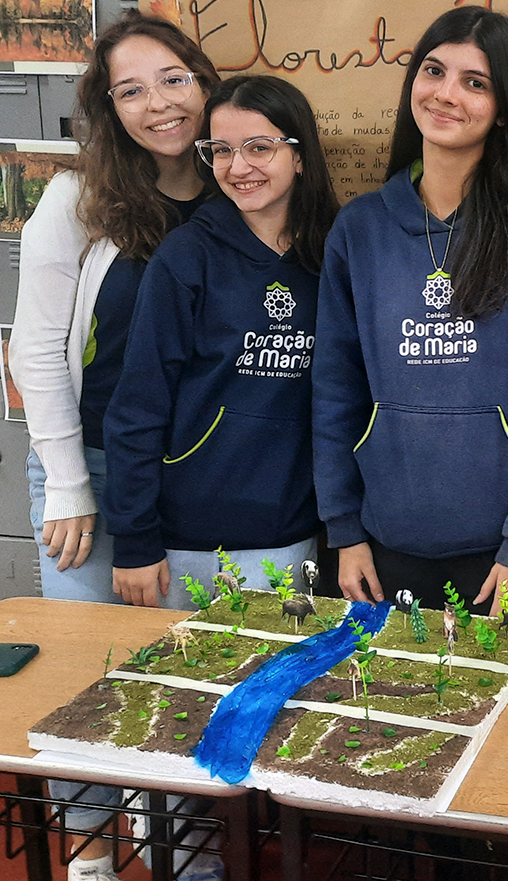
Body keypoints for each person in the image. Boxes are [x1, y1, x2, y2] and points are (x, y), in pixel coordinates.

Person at [9, 10, 220, 881]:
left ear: (203, 82)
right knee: (83, 670)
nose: (158, 103)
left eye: (173, 79)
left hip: (194, 472)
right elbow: (34, 348)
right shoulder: (77, 199)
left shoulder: (238, 185)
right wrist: (67, 482)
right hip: (89, 465)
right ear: (108, 109)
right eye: (130, 91)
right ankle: (92, 845)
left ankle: (182, 837)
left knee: (186, 669)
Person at [312, 6, 508, 635]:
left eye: (475, 82)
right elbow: (335, 390)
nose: (445, 94)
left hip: (507, 560)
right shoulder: (359, 230)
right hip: (381, 550)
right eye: (434, 71)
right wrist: (345, 531)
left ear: (506, 109)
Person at [103, 75, 337, 614]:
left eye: (259, 147)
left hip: (289, 533)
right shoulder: (185, 256)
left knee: (273, 670)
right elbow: (138, 406)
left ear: (300, 155)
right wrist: (135, 539)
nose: (238, 167)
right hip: (185, 540)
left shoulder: (335, 255)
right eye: (221, 151)